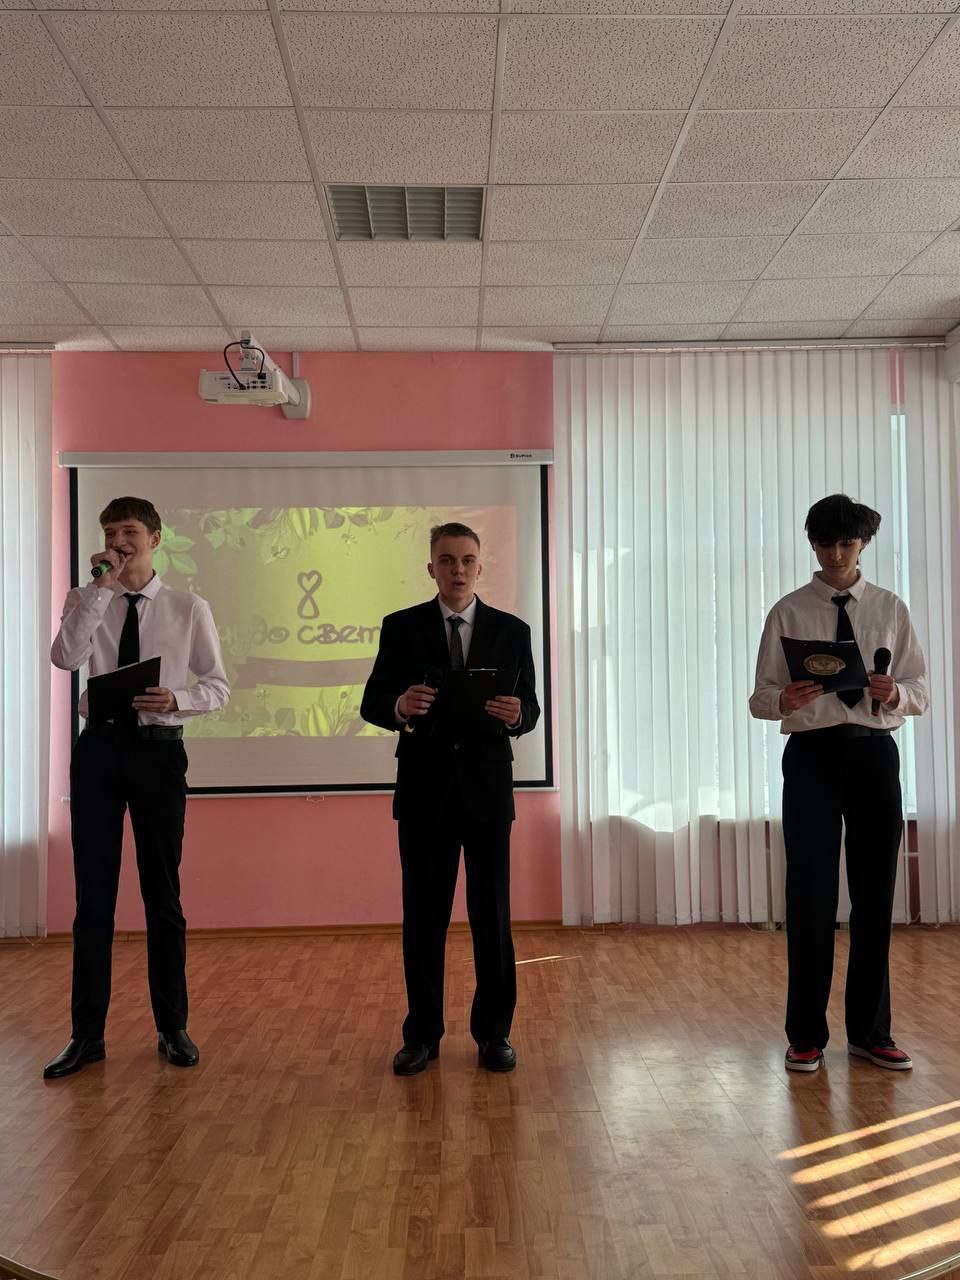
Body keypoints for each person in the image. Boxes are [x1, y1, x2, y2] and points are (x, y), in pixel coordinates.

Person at [44, 497, 229, 1079]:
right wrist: (99, 591)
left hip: (157, 753)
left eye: (128, 532)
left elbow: (218, 685)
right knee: (93, 898)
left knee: (162, 894)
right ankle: (86, 1036)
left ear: (155, 538)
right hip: (98, 753)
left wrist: (178, 698)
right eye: (109, 533)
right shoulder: (85, 599)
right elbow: (65, 657)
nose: (118, 542)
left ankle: (172, 1027)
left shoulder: (187, 607)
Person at [750, 494, 928, 1074]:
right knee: (810, 894)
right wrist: (784, 699)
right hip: (812, 758)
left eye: (846, 543)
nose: (834, 554)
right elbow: (759, 697)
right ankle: (805, 1035)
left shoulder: (890, 607)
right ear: (812, 544)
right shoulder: (788, 612)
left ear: (864, 543)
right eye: (824, 543)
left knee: (875, 894)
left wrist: (895, 693)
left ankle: (871, 1032)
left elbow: (921, 690)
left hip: (874, 754)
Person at [360, 522, 540, 1076]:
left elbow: (531, 708)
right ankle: (421, 1036)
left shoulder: (512, 631)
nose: (457, 570)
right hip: (424, 793)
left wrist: (519, 715)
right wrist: (399, 705)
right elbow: (372, 702)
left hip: (487, 793)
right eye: (446, 560)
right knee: (424, 918)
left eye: (466, 560)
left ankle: (494, 1033)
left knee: (493, 917)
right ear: (431, 567)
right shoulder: (402, 627)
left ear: (480, 567)